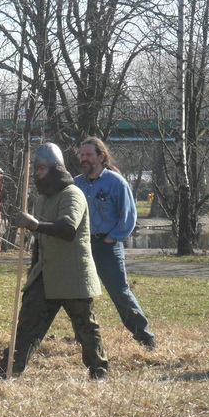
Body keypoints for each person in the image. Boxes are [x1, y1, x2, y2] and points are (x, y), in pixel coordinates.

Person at [0, 142, 108, 380]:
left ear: (55, 169)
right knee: (27, 323)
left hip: (73, 275)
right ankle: (9, 367)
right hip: (46, 274)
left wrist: (34, 224)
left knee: (85, 328)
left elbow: (68, 229)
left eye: (41, 169)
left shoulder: (73, 194)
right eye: (36, 169)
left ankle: (98, 370)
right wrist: (33, 272)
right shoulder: (41, 200)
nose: (37, 173)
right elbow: (39, 241)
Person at [74, 137, 156, 349]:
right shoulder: (76, 184)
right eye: (82, 155)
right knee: (79, 293)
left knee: (120, 292)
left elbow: (128, 216)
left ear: (101, 157)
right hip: (82, 246)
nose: (84, 159)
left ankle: (144, 336)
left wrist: (112, 238)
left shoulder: (115, 182)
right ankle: (83, 337)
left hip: (107, 247)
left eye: (88, 155)